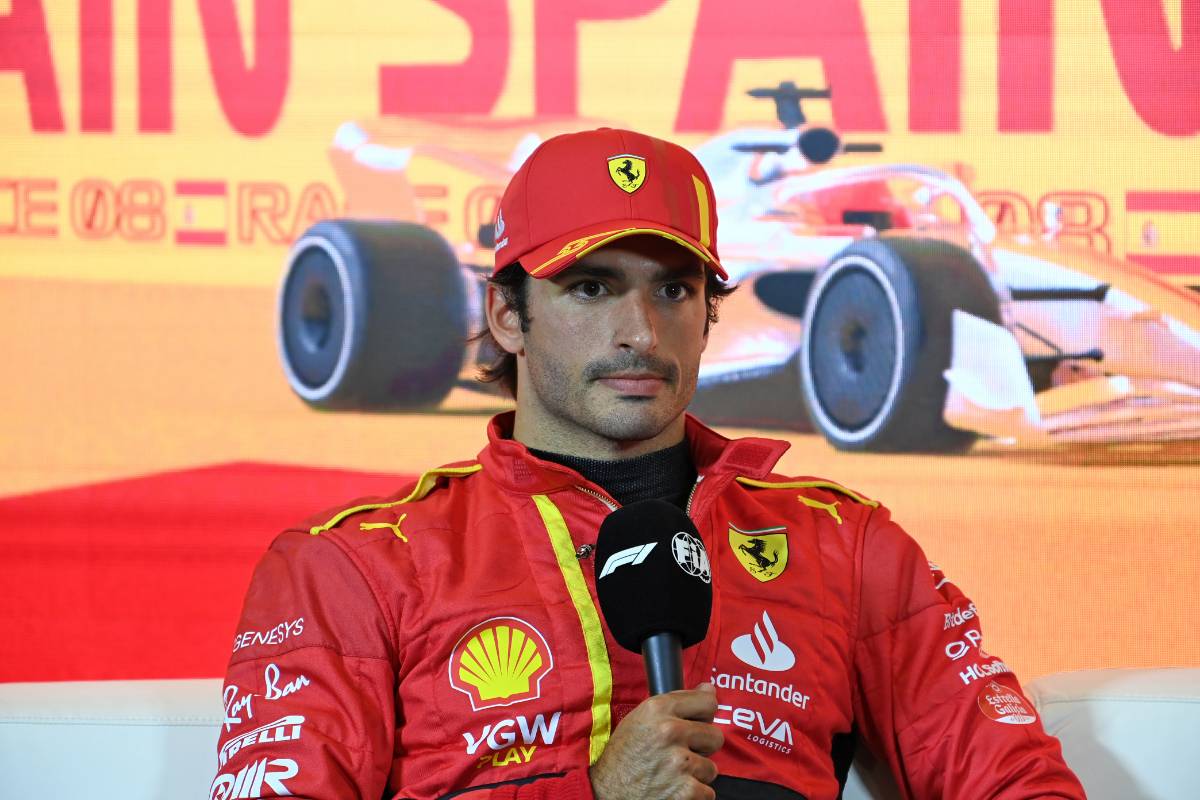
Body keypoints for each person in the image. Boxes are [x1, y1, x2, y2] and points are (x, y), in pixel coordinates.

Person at [212, 128, 1085, 800]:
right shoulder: (355, 565)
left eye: (673, 288)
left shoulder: (845, 545)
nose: (640, 331)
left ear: (709, 315)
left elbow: (1017, 781)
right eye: (592, 287)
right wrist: (593, 793)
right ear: (508, 316)